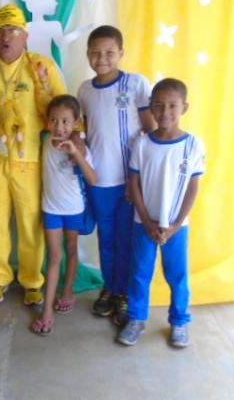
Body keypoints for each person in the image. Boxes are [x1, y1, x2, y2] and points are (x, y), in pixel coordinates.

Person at [0, 4, 67, 305]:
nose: (6, 38)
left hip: (29, 159)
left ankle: (32, 281)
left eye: (12, 31)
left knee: (30, 222)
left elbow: (63, 108)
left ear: (25, 36)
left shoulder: (42, 68)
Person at [77, 25, 157, 325]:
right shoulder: (84, 90)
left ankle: (125, 293)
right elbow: (84, 133)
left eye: (110, 52)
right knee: (106, 238)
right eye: (95, 53)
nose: (102, 58)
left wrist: (140, 179)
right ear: (87, 55)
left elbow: (150, 133)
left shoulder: (136, 84)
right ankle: (109, 289)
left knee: (127, 239)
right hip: (99, 181)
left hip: (128, 182)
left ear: (121, 54)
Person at [117, 78, 205, 347]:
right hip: (143, 223)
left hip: (177, 226)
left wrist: (176, 225)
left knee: (177, 274)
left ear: (184, 108)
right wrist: (146, 220)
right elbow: (134, 183)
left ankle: (179, 321)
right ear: (151, 108)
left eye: (172, 106)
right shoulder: (143, 144)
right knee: (140, 272)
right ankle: (136, 318)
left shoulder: (193, 145)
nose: (165, 112)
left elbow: (193, 187)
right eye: (158, 106)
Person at [31, 95, 97, 335]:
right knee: (55, 257)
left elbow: (93, 179)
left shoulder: (80, 147)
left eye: (66, 122)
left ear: (76, 123)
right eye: (54, 121)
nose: (59, 127)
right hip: (51, 210)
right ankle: (47, 309)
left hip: (74, 210)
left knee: (71, 250)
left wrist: (76, 151)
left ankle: (68, 290)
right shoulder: (45, 140)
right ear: (47, 122)